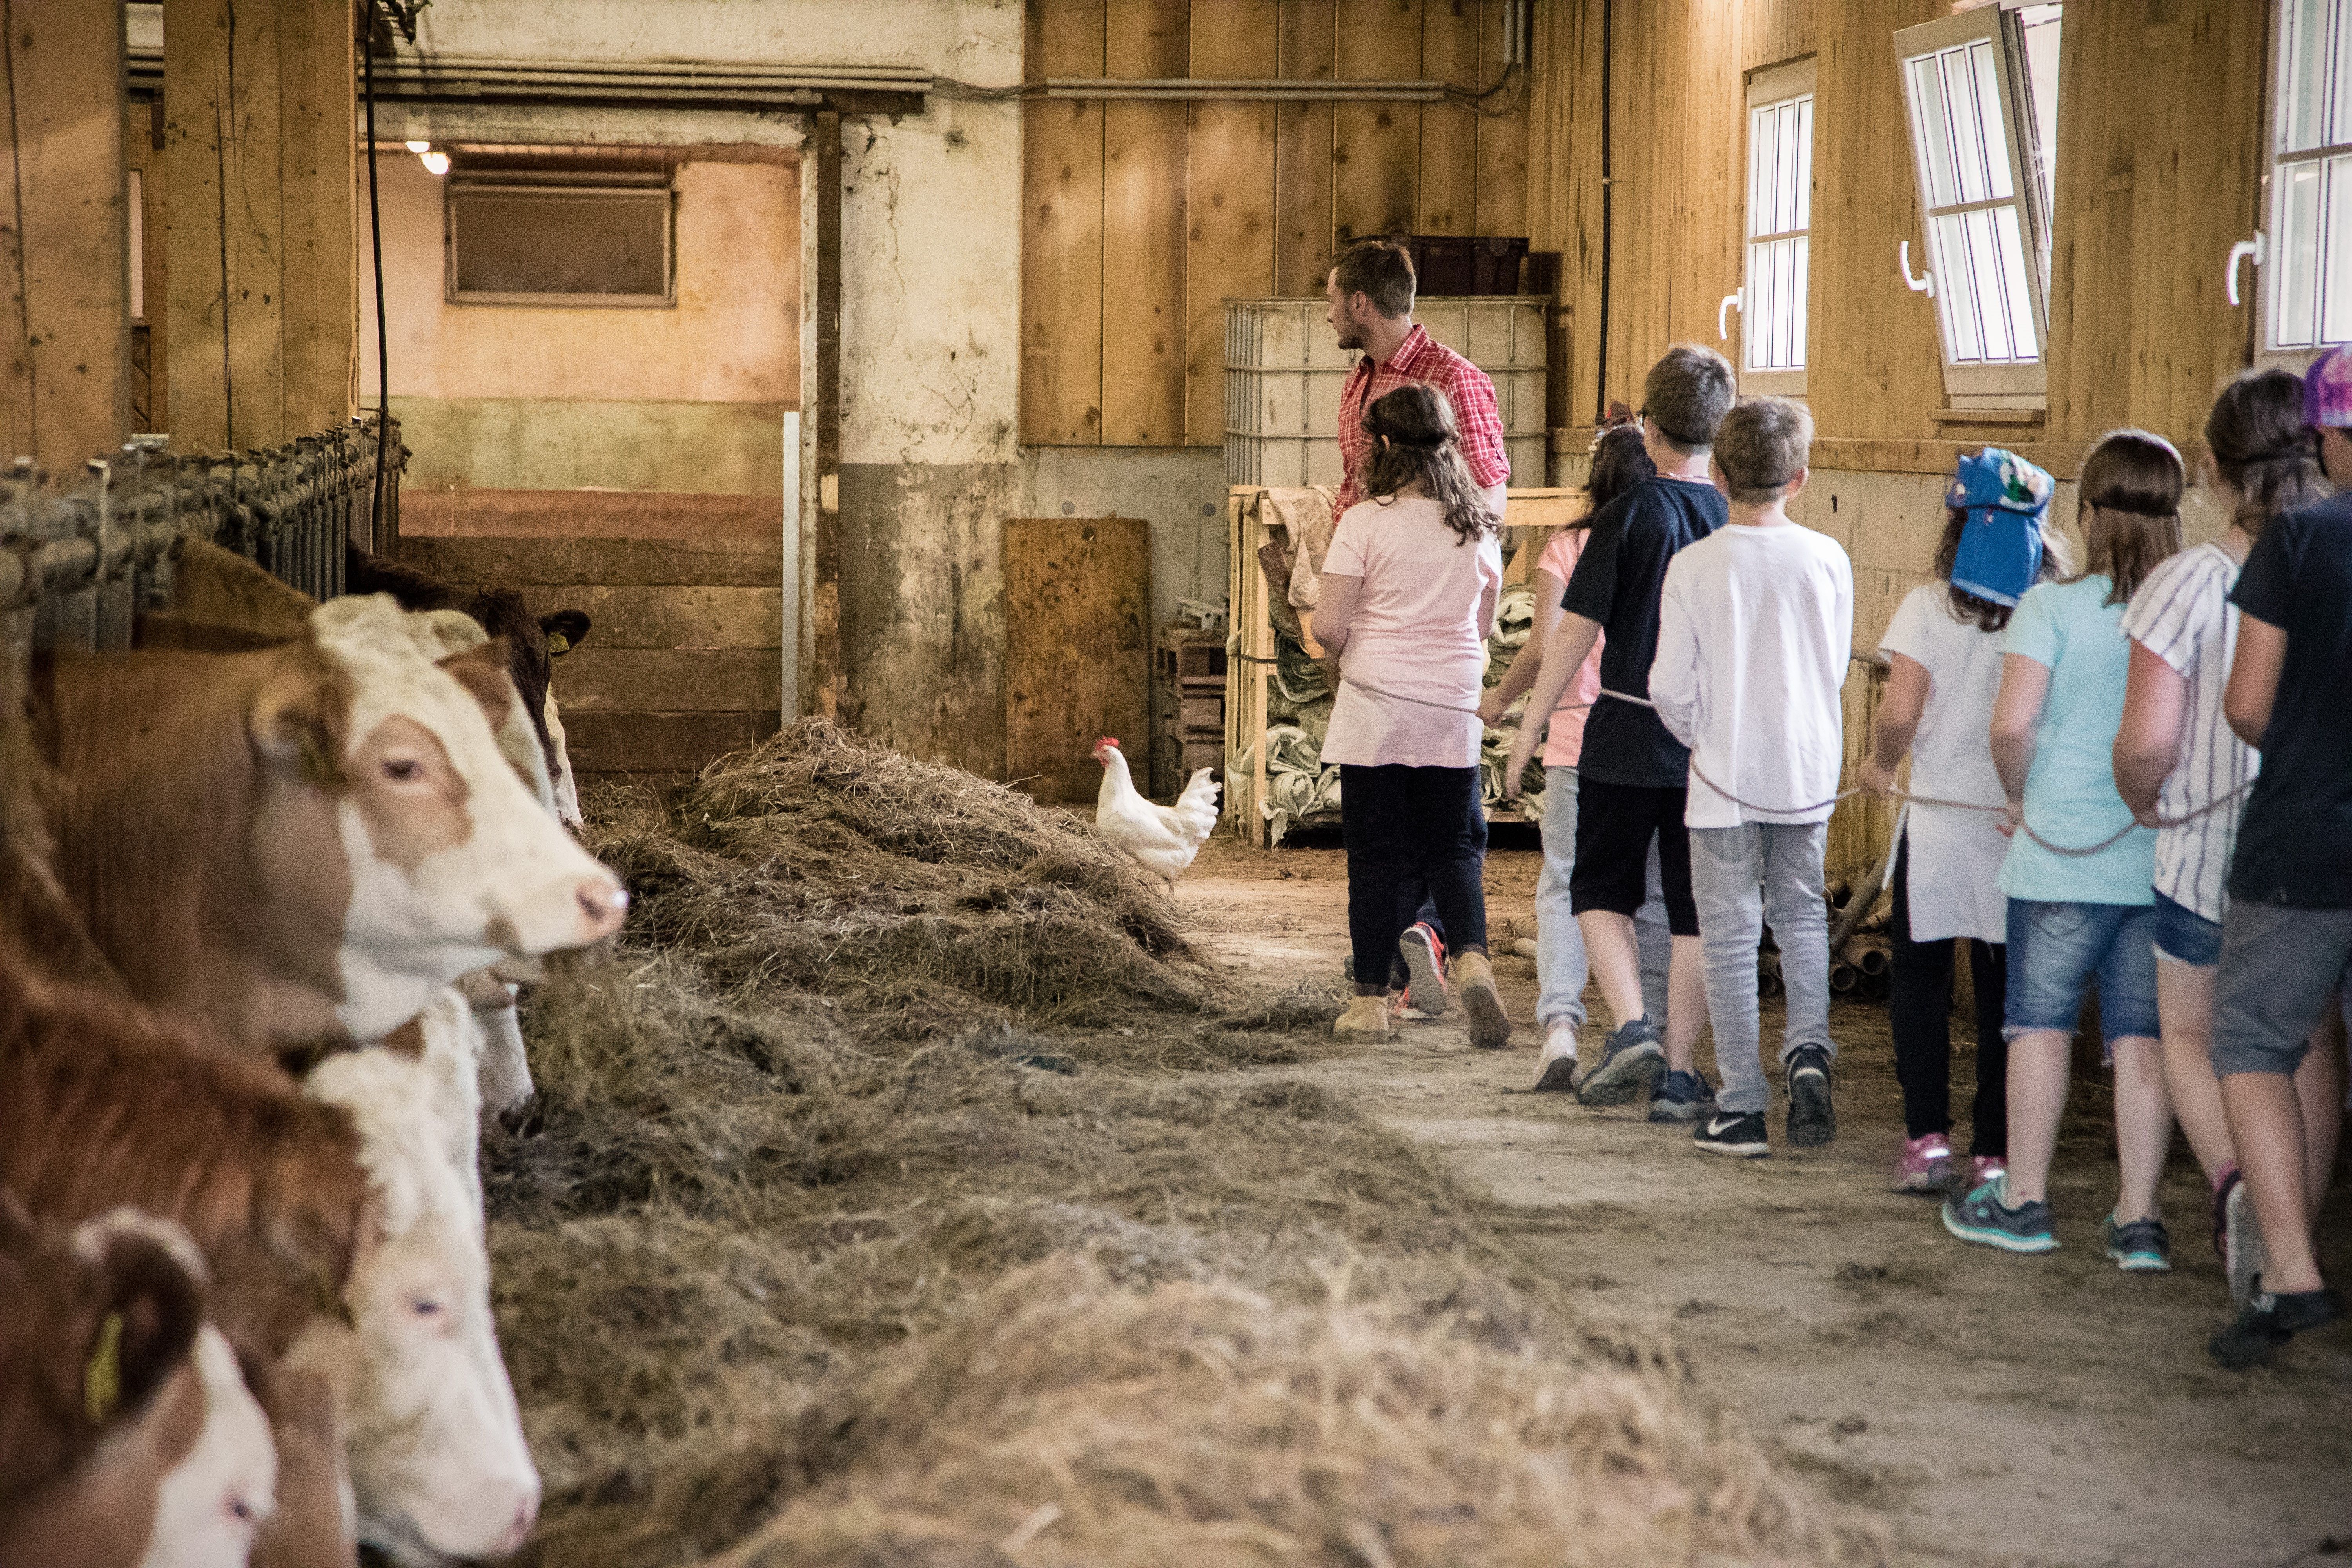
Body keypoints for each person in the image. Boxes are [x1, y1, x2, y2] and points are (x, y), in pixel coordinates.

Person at [2112, 370, 2343, 1314]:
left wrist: (2141, 799)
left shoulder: (2190, 581)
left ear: (2211, 465)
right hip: (2323, 849)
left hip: (2217, 853)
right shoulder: (2328, 553)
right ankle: (2301, 1219)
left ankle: (2241, 1188)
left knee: (2197, 1034)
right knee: (2312, 1043)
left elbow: (2149, 739)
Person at [1943, 430, 2183, 1266]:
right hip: (2156, 857)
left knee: (2038, 1027)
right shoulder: (2193, 610)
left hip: (2059, 850)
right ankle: (2140, 1217)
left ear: (2086, 515)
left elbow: (2011, 724)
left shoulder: (2050, 607)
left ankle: (2026, 1200)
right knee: (2142, 1041)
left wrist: (2018, 791)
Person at [1502, 344, 1737, 1110]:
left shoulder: (1632, 513)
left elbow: (1570, 634)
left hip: (1623, 734)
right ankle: (1678, 1068)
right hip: (1708, 749)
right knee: (1685, 907)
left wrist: (1530, 726)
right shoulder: (1734, 516)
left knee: (1595, 888)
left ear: (1650, 424)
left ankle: (1631, 1024)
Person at [1648, 398, 1852, 1157]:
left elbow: (1668, 686)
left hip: (1724, 774)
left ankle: (1741, 1100)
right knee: (1801, 914)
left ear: (1722, 474)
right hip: (1806, 769)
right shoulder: (1828, 557)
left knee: (1729, 931)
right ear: (1799, 478)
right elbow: (1831, 667)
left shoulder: (1695, 565)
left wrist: (1705, 733)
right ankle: (1808, 1051)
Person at [2204, 344, 2352, 1367]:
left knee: (2258, 1040)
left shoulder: (2300, 541)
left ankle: (2291, 1270)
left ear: (2331, 435)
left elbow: (2249, 704)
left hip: (2305, 833)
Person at [1861, 448, 2061, 1193]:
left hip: (1940, 828)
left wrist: (1881, 766)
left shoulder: (1926, 608)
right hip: (2019, 822)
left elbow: (1901, 711)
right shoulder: (2052, 607)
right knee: (2007, 986)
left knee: (1920, 979)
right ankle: (1999, 1149)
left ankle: (1927, 1139)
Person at [1325, 239, 1513, 1017]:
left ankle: (1393, 969)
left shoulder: (1454, 378)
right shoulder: (1360, 381)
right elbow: (1483, 592)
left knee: (1388, 833)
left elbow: (1491, 488)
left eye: (1334, 299)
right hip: (1440, 661)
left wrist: (1385, 566)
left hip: (1381, 637)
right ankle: (1435, 953)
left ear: (1362, 303)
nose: (1330, 312)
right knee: (1446, 832)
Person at [1481, 424, 1675, 1097]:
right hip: (1654, 743)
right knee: (1649, 895)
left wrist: (1504, 702)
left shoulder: (1566, 547)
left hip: (1573, 741)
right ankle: (1650, 1032)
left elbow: (1543, 643)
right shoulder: (1670, 539)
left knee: (1566, 887)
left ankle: (1561, 1027)